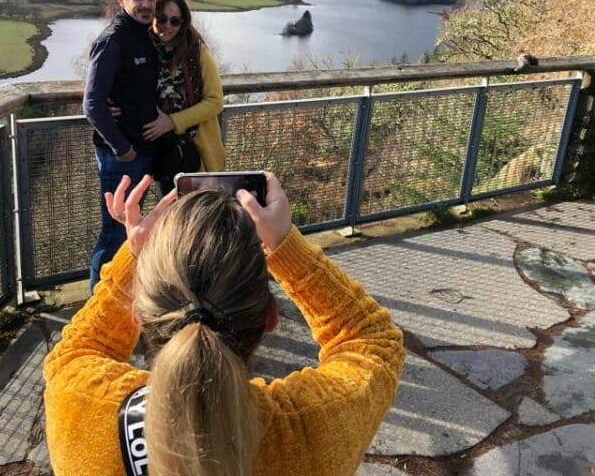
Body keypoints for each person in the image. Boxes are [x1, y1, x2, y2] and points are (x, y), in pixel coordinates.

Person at [43, 172, 405, 476]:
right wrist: (283, 246)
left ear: (136, 315)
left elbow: (80, 348)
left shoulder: (80, 403)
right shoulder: (309, 431)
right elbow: (373, 342)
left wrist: (135, 255)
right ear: (270, 317)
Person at [82, 0, 160, 294]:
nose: (146, 4)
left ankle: (126, 298)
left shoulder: (142, 36)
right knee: (114, 233)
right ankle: (98, 305)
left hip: (141, 153)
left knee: (133, 231)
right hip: (122, 158)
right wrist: (122, 148)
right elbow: (92, 103)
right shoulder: (114, 40)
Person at [114, 0, 225, 193]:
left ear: (184, 23)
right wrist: (107, 100)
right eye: (162, 18)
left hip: (194, 151)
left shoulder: (196, 52)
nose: (167, 26)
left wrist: (172, 122)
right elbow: (116, 79)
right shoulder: (142, 48)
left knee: (195, 217)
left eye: (175, 21)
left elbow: (215, 101)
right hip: (155, 150)